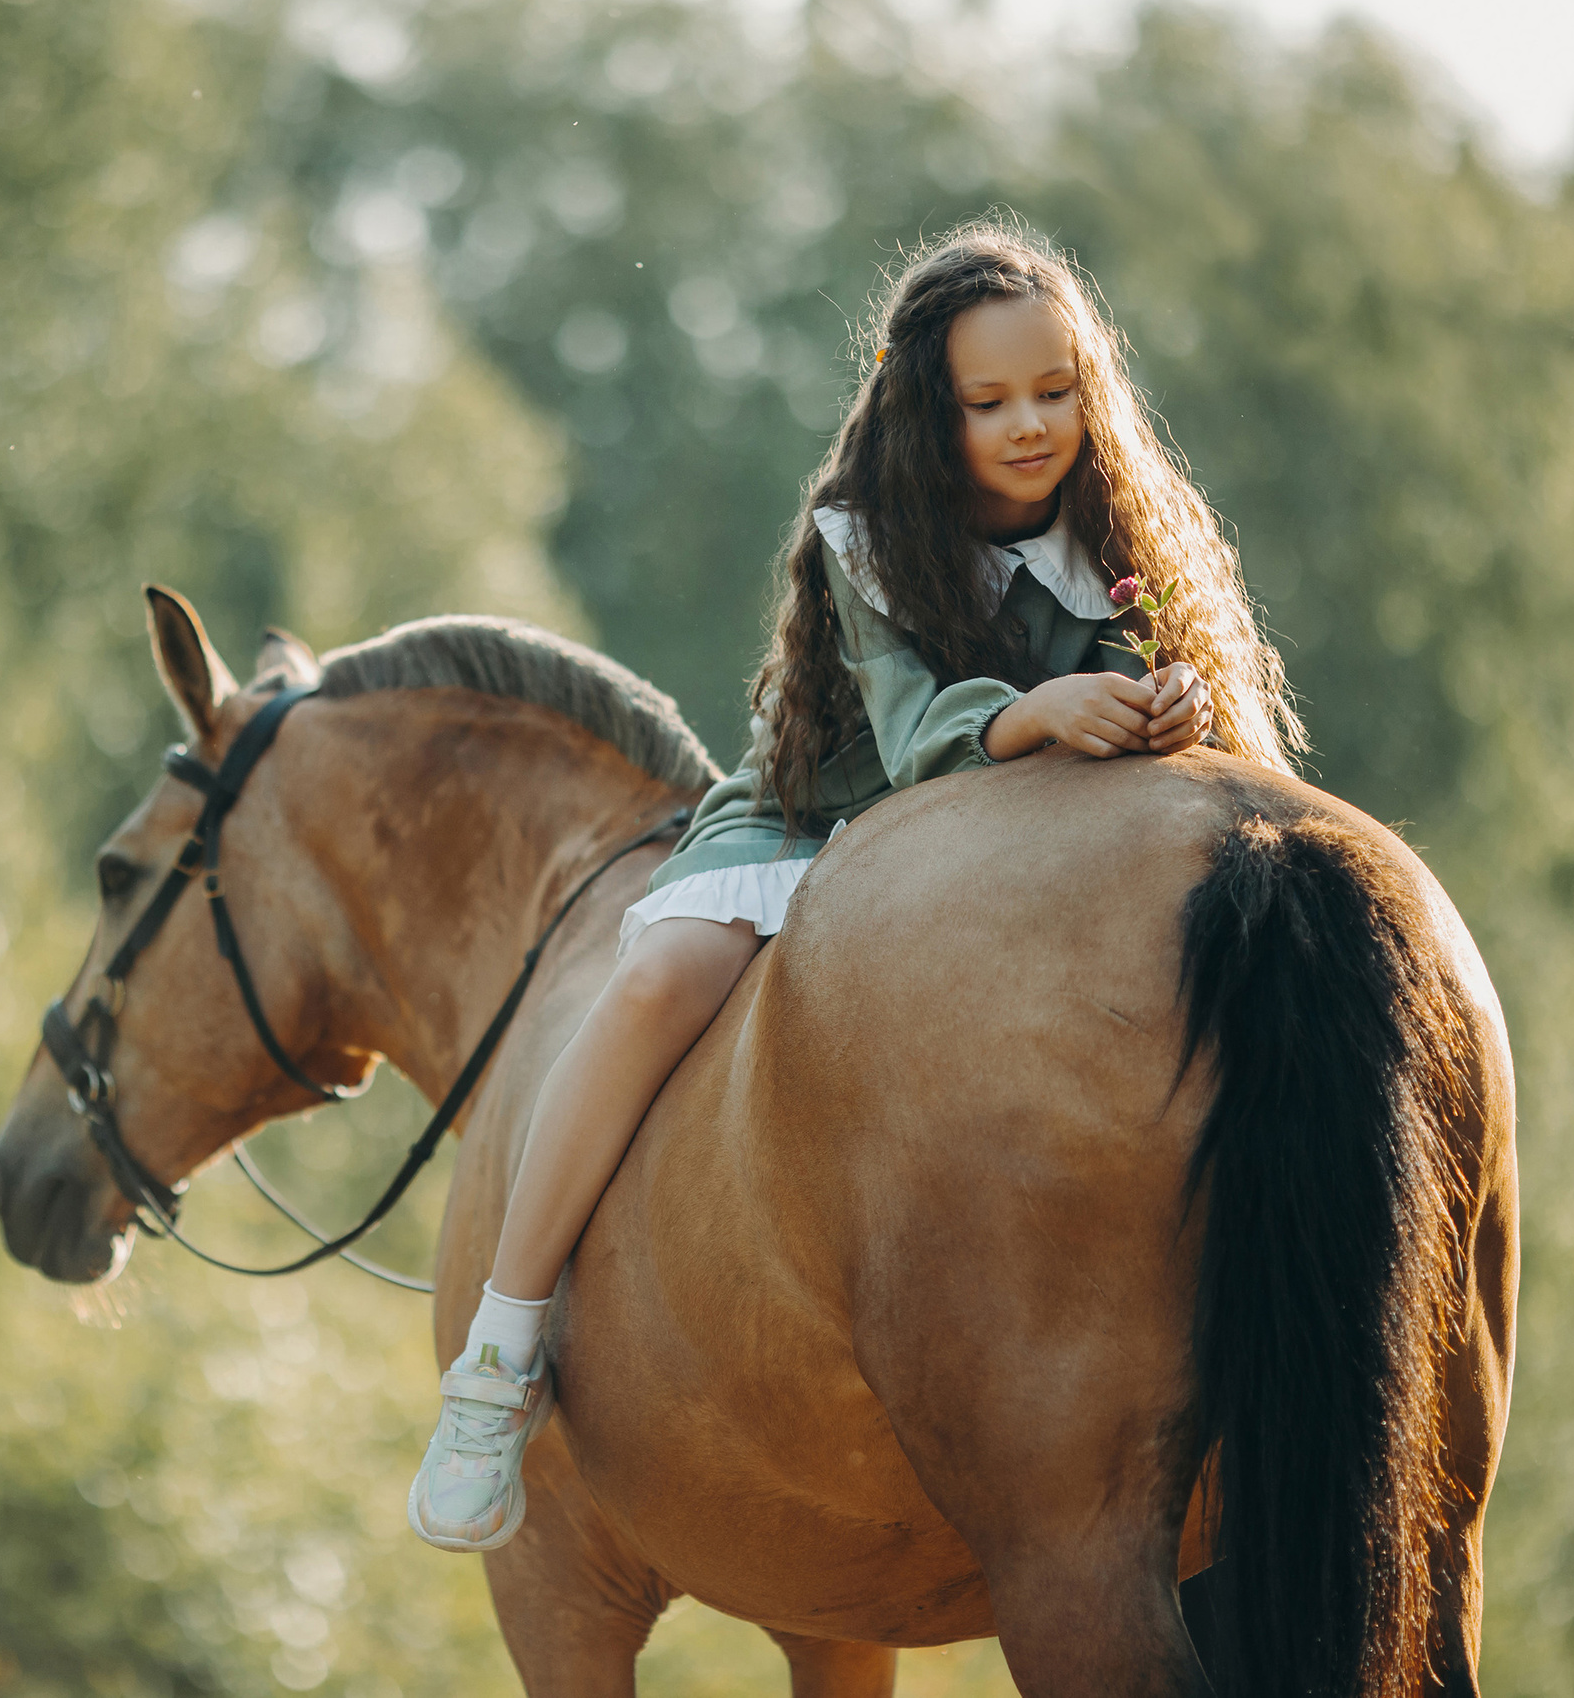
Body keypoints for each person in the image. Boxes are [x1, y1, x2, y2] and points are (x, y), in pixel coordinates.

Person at [407, 219, 1305, 1553]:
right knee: (658, 979)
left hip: (1021, 843)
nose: (1027, 427)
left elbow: (1173, 683)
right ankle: (500, 1348)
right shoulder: (866, 532)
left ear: (1093, 384)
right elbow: (904, 732)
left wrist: (1170, 698)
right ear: (923, 407)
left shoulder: (1126, 523)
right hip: (828, 818)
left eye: (1055, 393)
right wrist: (1042, 709)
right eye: (987, 402)